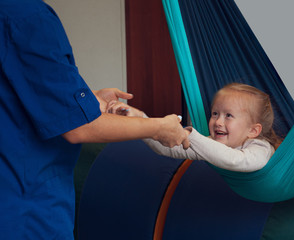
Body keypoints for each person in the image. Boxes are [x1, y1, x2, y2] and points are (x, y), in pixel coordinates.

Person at [0, 1, 188, 239]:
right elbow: (78, 128)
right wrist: (159, 127)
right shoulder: (29, 17)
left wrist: (83, 102)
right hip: (24, 209)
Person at [107, 83, 283, 172]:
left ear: (253, 131)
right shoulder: (211, 142)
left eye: (228, 116)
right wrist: (140, 119)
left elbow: (235, 160)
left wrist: (189, 135)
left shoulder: (261, 148)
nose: (218, 122)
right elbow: (167, 149)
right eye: (215, 114)